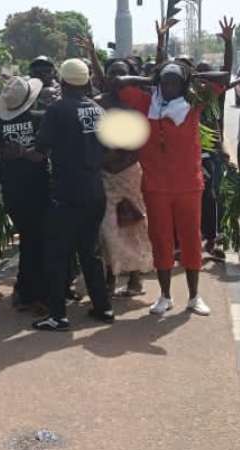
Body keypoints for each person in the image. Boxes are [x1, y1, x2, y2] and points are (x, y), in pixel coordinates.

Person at [115, 19, 238, 317]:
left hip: (189, 186)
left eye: (174, 83)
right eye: (165, 83)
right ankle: (166, 296)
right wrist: (155, 79)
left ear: (184, 84)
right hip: (156, 188)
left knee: (192, 239)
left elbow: (223, 77)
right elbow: (117, 84)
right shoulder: (148, 103)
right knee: (161, 241)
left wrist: (227, 44)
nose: (169, 88)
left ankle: (194, 297)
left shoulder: (194, 102)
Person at [32, 58, 115, 331]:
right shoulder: (97, 110)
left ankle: (58, 315)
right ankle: (103, 308)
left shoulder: (56, 110)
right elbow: (109, 148)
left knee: (57, 254)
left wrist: (18, 153)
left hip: (67, 192)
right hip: (94, 189)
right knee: (90, 252)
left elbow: (41, 151)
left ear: (64, 81)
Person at [77, 37, 154, 296]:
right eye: (112, 74)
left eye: (122, 74)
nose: (116, 78)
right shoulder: (97, 103)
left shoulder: (138, 104)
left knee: (132, 224)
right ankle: (111, 276)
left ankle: (134, 278)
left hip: (129, 172)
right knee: (106, 229)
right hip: (104, 175)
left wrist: (119, 160)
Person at [0, 76, 49, 311]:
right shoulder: (40, 119)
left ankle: (25, 291)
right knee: (38, 241)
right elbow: (48, 152)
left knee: (28, 240)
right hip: (42, 189)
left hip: (13, 193)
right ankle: (34, 294)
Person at [197, 17, 235, 258]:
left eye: (206, 75)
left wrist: (229, 44)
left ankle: (214, 238)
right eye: (198, 75)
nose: (203, 80)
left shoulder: (216, 96)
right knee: (202, 199)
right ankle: (204, 236)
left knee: (214, 195)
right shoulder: (185, 99)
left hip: (213, 155)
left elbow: (227, 71)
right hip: (191, 156)